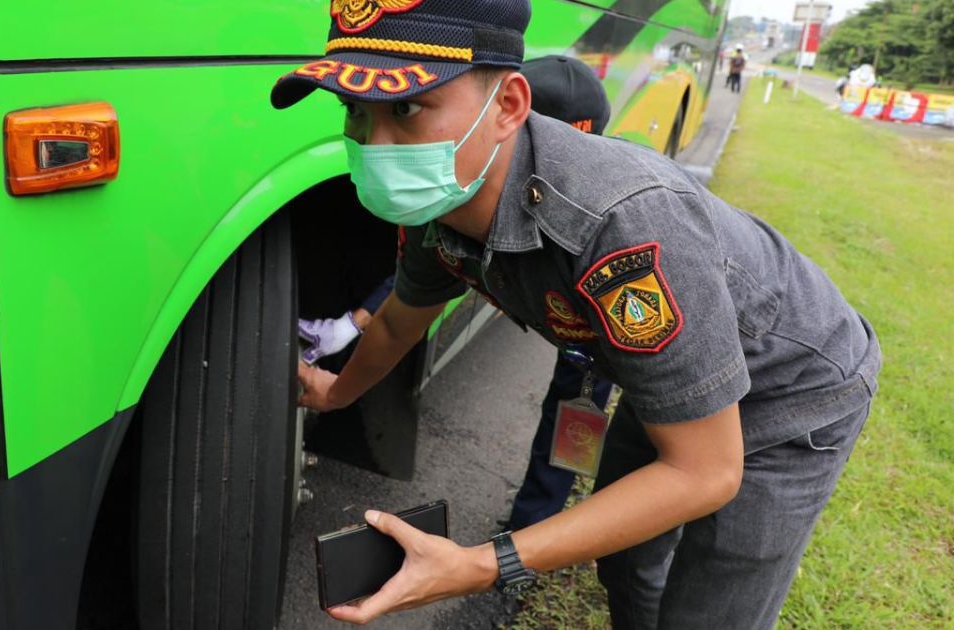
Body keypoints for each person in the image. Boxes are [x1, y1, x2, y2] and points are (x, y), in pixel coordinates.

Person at [274, 1, 881, 628]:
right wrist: (338, 392)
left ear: (509, 105)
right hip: (667, 378)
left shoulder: (621, 224)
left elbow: (704, 469)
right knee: (625, 563)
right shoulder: (444, 203)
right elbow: (403, 318)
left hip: (792, 389)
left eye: (405, 107)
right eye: (354, 111)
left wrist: (485, 563)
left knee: (708, 610)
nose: (374, 146)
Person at [298, 55, 617, 531]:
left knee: (584, 413)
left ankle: (545, 518)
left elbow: (695, 466)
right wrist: (342, 375)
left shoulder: (612, 238)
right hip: (582, 330)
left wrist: (509, 559)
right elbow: (411, 297)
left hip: (640, 351)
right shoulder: (451, 213)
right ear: (501, 125)